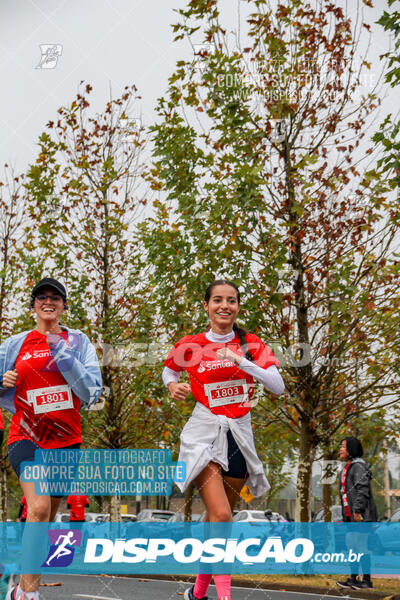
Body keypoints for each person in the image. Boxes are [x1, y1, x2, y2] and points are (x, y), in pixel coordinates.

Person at [163, 280, 285, 600]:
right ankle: (225, 596)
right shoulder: (191, 344)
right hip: (204, 432)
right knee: (220, 515)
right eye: (217, 300)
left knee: (217, 522)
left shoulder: (251, 343)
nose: (224, 306)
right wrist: (172, 385)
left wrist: (243, 362)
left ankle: (198, 593)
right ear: (206, 306)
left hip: (239, 435)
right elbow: (169, 370)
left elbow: (278, 385)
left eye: (231, 301)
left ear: (238, 307)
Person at [0, 277, 102, 600]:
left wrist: (65, 356)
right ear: (33, 306)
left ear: (64, 306)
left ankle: (23, 587)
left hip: (65, 442)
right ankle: (29, 595)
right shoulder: (15, 345)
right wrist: (2, 382)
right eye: (41, 297)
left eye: (55, 297)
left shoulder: (79, 342)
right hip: (26, 436)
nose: (48, 302)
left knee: (44, 519)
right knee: (40, 506)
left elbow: (92, 392)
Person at [336, 437, 377, 590]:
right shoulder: (348, 467)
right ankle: (353, 578)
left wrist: (358, 510)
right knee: (352, 545)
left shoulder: (358, 466)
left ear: (351, 449)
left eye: (343, 446)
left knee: (361, 546)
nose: (340, 449)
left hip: (361, 516)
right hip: (350, 516)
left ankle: (367, 581)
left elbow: (363, 489)